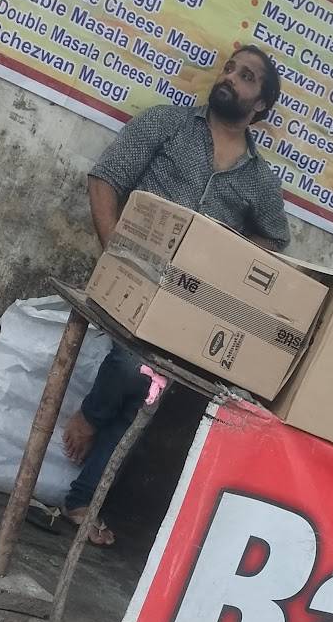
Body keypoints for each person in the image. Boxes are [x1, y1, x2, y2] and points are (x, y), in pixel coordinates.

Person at [62, 46, 289, 545]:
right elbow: (105, 178)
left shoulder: (259, 180)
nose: (230, 78)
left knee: (148, 390)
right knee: (129, 367)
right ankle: (89, 421)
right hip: (129, 277)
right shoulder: (167, 124)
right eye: (230, 69)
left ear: (260, 107)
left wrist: (228, 264)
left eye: (246, 77)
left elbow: (274, 241)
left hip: (188, 308)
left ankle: (82, 500)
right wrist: (117, 253)